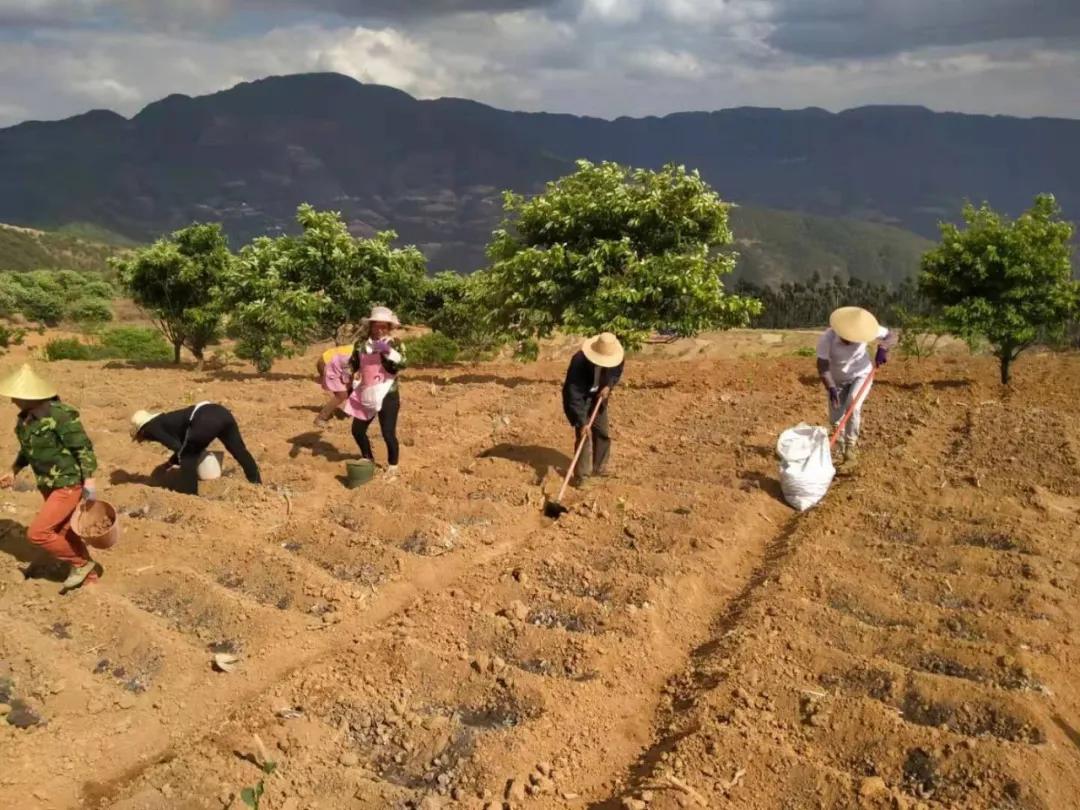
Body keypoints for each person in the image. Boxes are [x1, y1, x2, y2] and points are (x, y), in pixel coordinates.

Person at [0, 364, 101, 591]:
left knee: (38, 533)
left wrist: (89, 481)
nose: (12, 400)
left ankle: (82, 563)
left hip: (67, 482)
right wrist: (13, 470)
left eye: (16, 396)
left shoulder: (60, 414)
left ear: (29, 396)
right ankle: (90, 578)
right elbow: (27, 450)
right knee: (65, 531)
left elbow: (82, 448)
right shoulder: (25, 420)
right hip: (47, 483)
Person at [315, 306, 407, 478]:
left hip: (387, 394)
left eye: (384, 327)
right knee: (357, 430)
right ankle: (367, 457)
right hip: (366, 392)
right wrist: (348, 371)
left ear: (389, 327)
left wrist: (388, 353)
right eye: (376, 326)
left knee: (388, 433)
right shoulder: (361, 345)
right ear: (370, 326)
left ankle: (393, 466)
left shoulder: (395, 344)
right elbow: (353, 363)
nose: (379, 330)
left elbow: (402, 365)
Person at [816, 306, 897, 465]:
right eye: (849, 338)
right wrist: (831, 387)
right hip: (836, 380)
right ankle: (838, 450)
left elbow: (891, 335)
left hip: (861, 374)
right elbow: (823, 366)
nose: (852, 341)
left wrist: (883, 347)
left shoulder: (866, 330)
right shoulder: (827, 338)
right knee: (835, 420)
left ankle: (850, 448)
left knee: (853, 404)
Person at [131, 402, 262, 495]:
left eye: (141, 438)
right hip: (222, 412)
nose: (143, 440)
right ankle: (257, 484)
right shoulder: (165, 420)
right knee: (239, 451)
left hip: (204, 417)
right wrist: (170, 463)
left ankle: (189, 497)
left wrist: (169, 463)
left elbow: (178, 448)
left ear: (142, 430)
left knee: (188, 457)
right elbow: (183, 445)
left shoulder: (152, 428)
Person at [562, 332, 624, 485]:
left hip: (599, 398)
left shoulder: (616, 355)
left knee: (602, 432)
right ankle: (582, 477)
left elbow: (616, 371)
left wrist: (609, 385)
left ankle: (599, 468)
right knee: (584, 436)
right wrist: (582, 422)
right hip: (581, 400)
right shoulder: (579, 362)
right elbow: (573, 394)